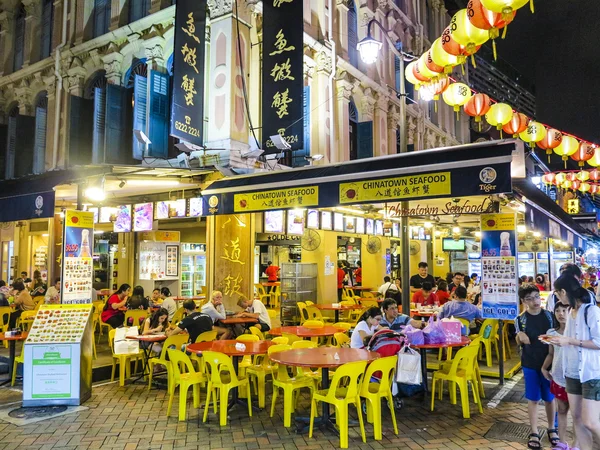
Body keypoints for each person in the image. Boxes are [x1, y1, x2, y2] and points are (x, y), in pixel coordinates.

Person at [549, 285, 600, 450]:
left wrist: (569, 341)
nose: (557, 298)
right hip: (571, 371)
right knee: (576, 418)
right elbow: (568, 339)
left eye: (557, 293)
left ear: (564, 292)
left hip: (590, 372)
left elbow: (598, 342)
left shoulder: (591, 311)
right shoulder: (571, 312)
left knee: (590, 421)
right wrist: (559, 340)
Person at [515, 285, 556, 449]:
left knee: (549, 398)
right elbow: (519, 340)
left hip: (549, 364)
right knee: (533, 399)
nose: (535, 301)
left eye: (536, 296)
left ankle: (552, 428)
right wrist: (519, 336)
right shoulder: (520, 320)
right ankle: (534, 431)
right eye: (529, 298)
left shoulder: (550, 316)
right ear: (523, 301)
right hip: (530, 364)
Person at [542, 302, 570, 448]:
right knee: (562, 410)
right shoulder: (551, 333)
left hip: (575, 379)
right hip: (558, 377)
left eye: (564, 310)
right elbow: (551, 354)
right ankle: (562, 442)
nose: (561, 314)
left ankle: (576, 444)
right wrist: (544, 368)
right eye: (557, 311)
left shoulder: (577, 334)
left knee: (578, 416)